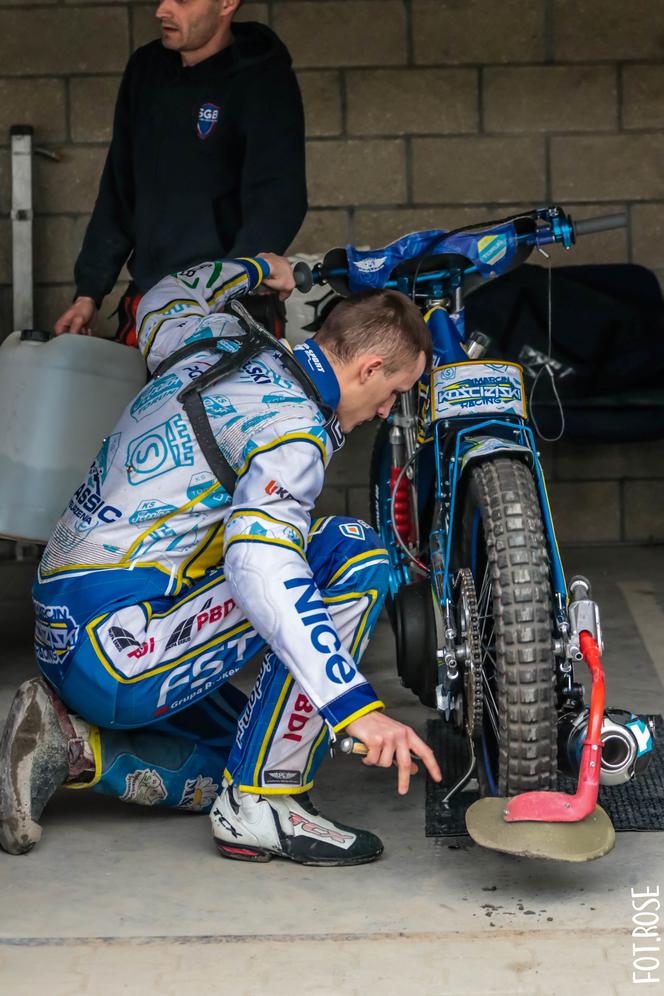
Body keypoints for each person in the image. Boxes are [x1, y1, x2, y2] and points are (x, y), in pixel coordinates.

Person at [0, 252, 441, 866]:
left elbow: (163, 295)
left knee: (248, 744)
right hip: (117, 651)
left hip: (68, 627)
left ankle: (72, 746)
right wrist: (353, 707)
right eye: (394, 391)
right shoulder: (293, 430)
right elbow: (261, 567)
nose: (389, 409)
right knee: (355, 554)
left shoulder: (212, 337)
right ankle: (265, 804)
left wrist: (262, 268)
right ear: (369, 368)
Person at [54, 0, 306, 344]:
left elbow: (278, 198)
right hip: (151, 298)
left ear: (227, 4)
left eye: (183, 0)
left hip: (231, 306)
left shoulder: (264, 78)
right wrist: (89, 292)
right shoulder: (147, 69)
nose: (162, 10)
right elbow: (119, 187)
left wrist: (227, 285)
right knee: (138, 399)